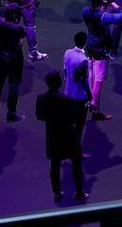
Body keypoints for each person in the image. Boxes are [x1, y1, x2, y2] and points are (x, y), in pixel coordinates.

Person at [37, 66, 89, 203]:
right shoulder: (67, 100)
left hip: (52, 135)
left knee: (55, 165)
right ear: (58, 82)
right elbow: (75, 119)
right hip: (68, 134)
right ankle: (79, 192)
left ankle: (57, 193)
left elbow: (39, 116)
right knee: (76, 163)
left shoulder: (41, 98)